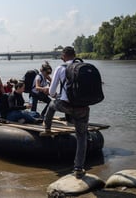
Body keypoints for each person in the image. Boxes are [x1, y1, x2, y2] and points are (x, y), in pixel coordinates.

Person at [41, 46, 90, 179]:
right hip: (83, 108)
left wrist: (50, 91)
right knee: (81, 136)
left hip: (66, 105)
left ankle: (47, 127)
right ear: (75, 55)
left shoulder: (60, 68)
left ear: (64, 55)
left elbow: (51, 93)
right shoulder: (83, 66)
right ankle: (79, 168)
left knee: (51, 105)